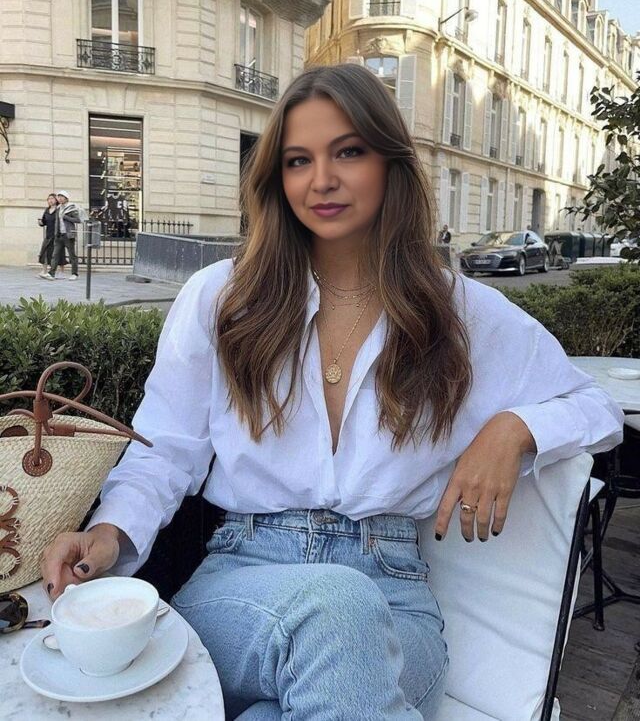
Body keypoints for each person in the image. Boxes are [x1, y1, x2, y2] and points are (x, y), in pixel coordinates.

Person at [40, 64, 623, 720]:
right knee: (336, 611)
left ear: (390, 165)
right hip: (242, 582)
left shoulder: (458, 313)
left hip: (396, 601)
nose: (321, 179)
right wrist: (109, 532)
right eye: (298, 160)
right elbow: (164, 450)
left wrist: (514, 428)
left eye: (348, 152)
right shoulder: (223, 298)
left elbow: (595, 407)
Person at [44, 190, 81, 281]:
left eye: (62, 197)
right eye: (59, 197)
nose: (60, 199)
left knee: (72, 255)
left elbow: (78, 220)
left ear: (66, 198)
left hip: (68, 235)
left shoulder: (71, 207)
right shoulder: (58, 208)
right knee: (55, 255)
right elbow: (57, 222)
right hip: (59, 235)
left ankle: (74, 273)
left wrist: (66, 217)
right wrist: (56, 233)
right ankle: (51, 273)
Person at [37, 193, 66, 279]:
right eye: (49, 199)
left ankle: (61, 272)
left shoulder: (59, 210)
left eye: (52, 198)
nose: (50, 200)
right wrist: (41, 223)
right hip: (48, 235)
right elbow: (44, 222)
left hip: (57, 234)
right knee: (44, 252)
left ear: (56, 200)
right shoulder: (47, 210)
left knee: (59, 253)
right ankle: (44, 270)